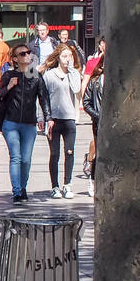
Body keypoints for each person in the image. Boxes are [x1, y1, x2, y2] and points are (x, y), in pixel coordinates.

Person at [0, 44, 46, 203]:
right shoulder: (8, 75)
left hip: (29, 124)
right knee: (16, 157)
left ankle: (23, 187)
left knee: (26, 159)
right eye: (22, 53)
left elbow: (44, 98)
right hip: (10, 123)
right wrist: (9, 86)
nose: (27, 55)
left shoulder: (36, 76)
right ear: (15, 59)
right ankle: (17, 191)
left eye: (28, 52)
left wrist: (47, 117)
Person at [40, 44, 83, 199]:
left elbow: (77, 89)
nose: (67, 59)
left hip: (69, 118)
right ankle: (55, 186)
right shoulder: (49, 75)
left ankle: (67, 184)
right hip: (53, 119)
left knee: (69, 152)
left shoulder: (74, 74)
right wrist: (43, 118)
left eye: (69, 56)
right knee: (55, 154)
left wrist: (71, 70)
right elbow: (43, 98)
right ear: (58, 57)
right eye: (64, 56)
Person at [81, 55, 103, 197]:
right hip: (99, 122)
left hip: (115, 123)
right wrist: (97, 116)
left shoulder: (120, 83)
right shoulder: (95, 82)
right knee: (99, 153)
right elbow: (87, 102)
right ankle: (93, 180)